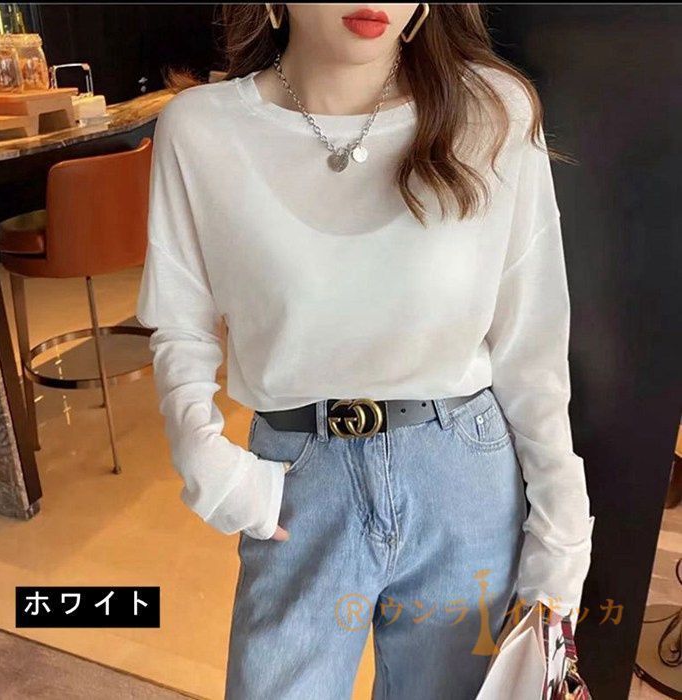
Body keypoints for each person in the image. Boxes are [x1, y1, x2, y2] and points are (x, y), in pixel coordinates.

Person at [135, 4, 595, 698]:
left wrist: (562, 530)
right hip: (299, 481)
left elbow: (531, 346)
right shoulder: (201, 129)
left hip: (463, 478)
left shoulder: (492, 112)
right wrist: (201, 454)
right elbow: (181, 319)